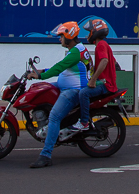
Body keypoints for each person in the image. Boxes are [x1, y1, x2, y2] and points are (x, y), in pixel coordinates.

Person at [27, 21, 92, 169]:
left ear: (69, 36)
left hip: (74, 90)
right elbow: (63, 68)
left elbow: (59, 67)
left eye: (61, 36)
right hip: (66, 86)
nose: (60, 39)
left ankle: (46, 155)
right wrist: (42, 71)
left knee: (54, 117)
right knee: (41, 90)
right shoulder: (75, 49)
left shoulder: (76, 52)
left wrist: (41, 76)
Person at [78, 19, 117, 128]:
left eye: (89, 32)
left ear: (95, 32)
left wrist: (93, 79)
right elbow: (113, 62)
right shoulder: (104, 44)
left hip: (105, 84)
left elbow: (105, 61)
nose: (88, 35)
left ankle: (84, 122)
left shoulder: (100, 45)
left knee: (83, 93)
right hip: (107, 83)